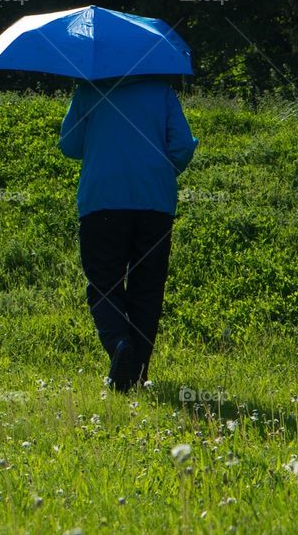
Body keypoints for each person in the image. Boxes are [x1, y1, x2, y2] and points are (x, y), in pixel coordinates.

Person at [59, 74, 198, 392]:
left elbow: (69, 145)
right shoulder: (162, 93)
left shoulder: (89, 91)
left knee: (104, 283)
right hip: (155, 204)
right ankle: (137, 373)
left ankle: (120, 344)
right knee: (147, 287)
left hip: (102, 202)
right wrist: (157, 170)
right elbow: (182, 148)